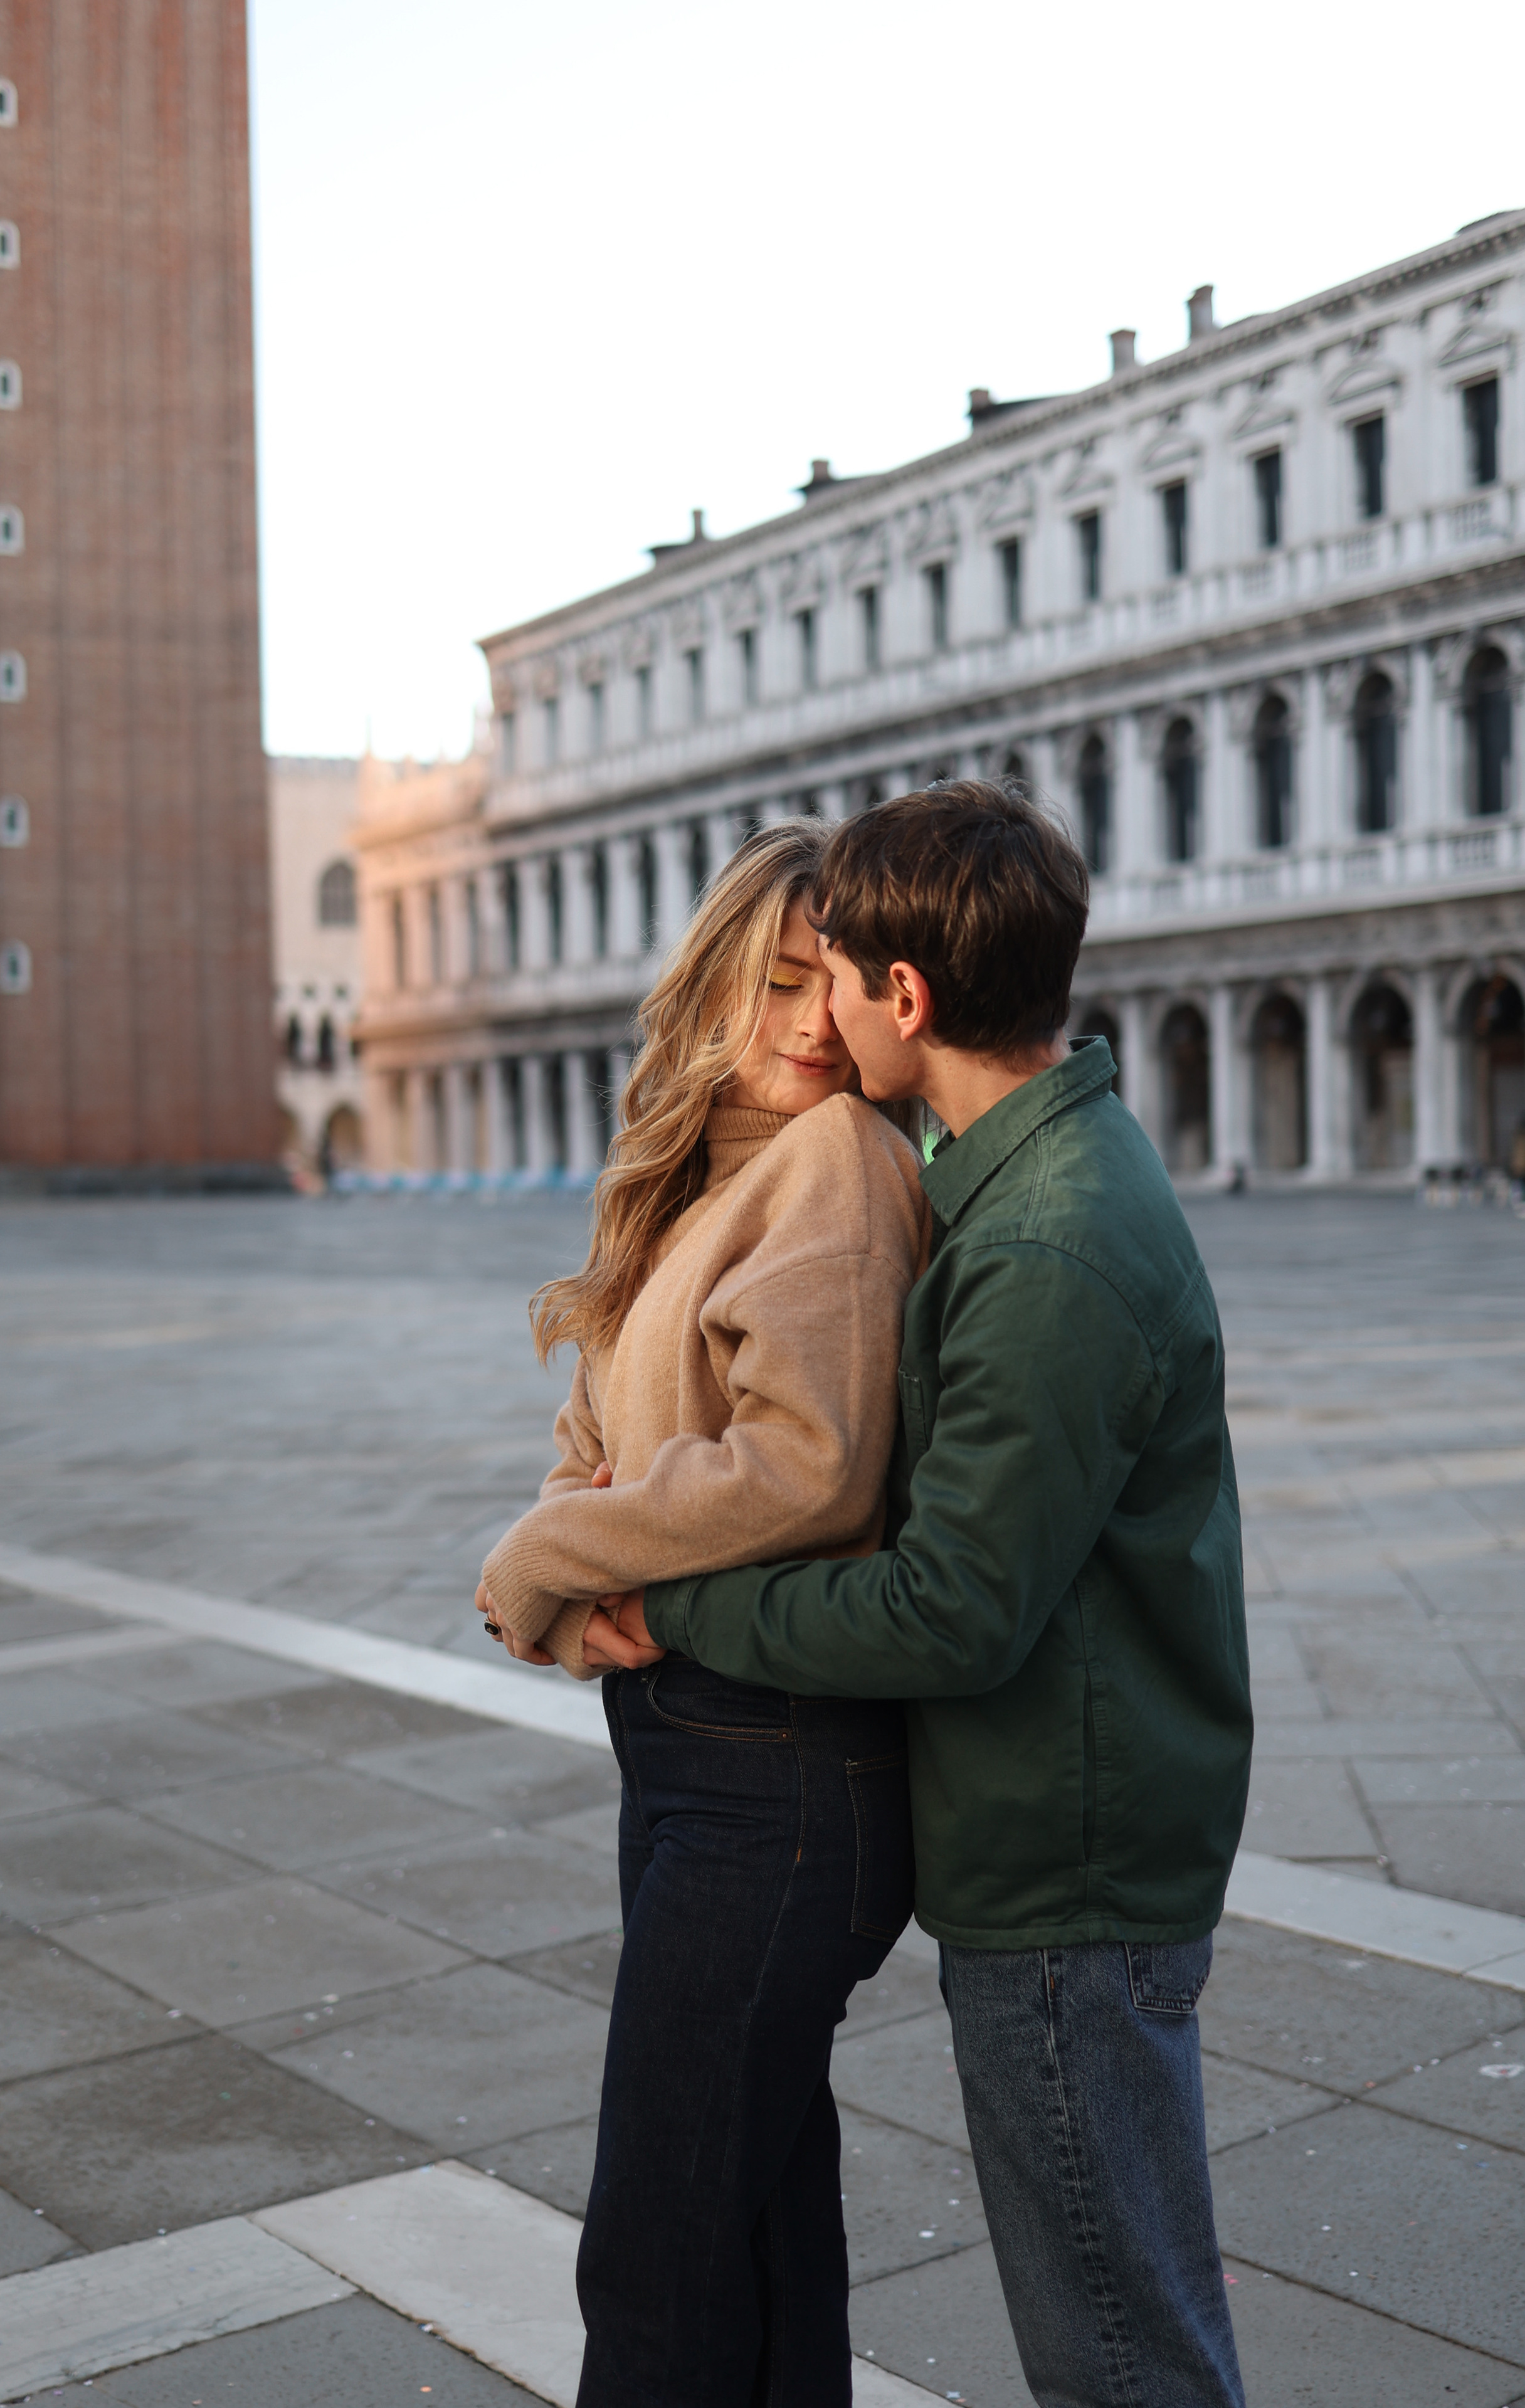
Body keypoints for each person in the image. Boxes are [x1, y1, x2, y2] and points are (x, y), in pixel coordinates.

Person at [591, 782, 1253, 2408]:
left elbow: (949, 1608)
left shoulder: (1045, 1241)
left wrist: (673, 1612)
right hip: (1054, 1833)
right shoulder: (1016, 1189)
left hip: (1067, 1867)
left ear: (901, 994)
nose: (815, 1015)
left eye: (830, 974)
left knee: (1116, 2356)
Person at [475, 819, 929, 2408]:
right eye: (776, 981)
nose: (809, 1023)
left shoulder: (836, 1160)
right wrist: (577, 1577)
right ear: (714, 981)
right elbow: (596, 1433)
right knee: (754, 2225)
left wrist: (542, 1561)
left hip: (775, 1770)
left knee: (657, 2249)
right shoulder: (699, 1182)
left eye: (833, 987)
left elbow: (803, 1464)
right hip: (696, 1756)